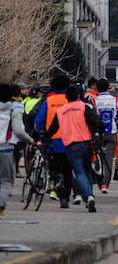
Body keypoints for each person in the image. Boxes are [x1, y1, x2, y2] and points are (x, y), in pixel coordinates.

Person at [43, 86, 103, 212]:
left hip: (71, 145)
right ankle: (89, 197)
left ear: (66, 97)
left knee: (79, 172)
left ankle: (89, 197)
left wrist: (43, 138)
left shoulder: (61, 111)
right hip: (86, 143)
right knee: (87, 170)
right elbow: (96, 121)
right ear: (78, 96)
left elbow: (53, 129)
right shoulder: (84, 107)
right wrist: (98, 131)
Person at [35, 74, 71, 206]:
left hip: (53, 142)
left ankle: (56, 183)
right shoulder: (71, 100)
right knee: (68, 169)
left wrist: (41, 133)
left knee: (54, 167)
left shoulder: (49, 101)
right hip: (69, 141)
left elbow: (39, 121)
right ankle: (65, 197)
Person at [0, 83, 35, 219]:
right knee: (6, 181)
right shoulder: (14, 109)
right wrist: (29, 139)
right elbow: (18, 130)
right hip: (5, 148)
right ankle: (0, 206)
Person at [94, 78, 118, 193]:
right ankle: (105, 184)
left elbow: (93, 115)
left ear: (97, 88)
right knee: (109, 159)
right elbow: (116, 115)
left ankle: (98, 180)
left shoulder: (95, 100)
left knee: (97, 157)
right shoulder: (115, 100)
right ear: (108, 87)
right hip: (112, 131)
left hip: (98, 132)